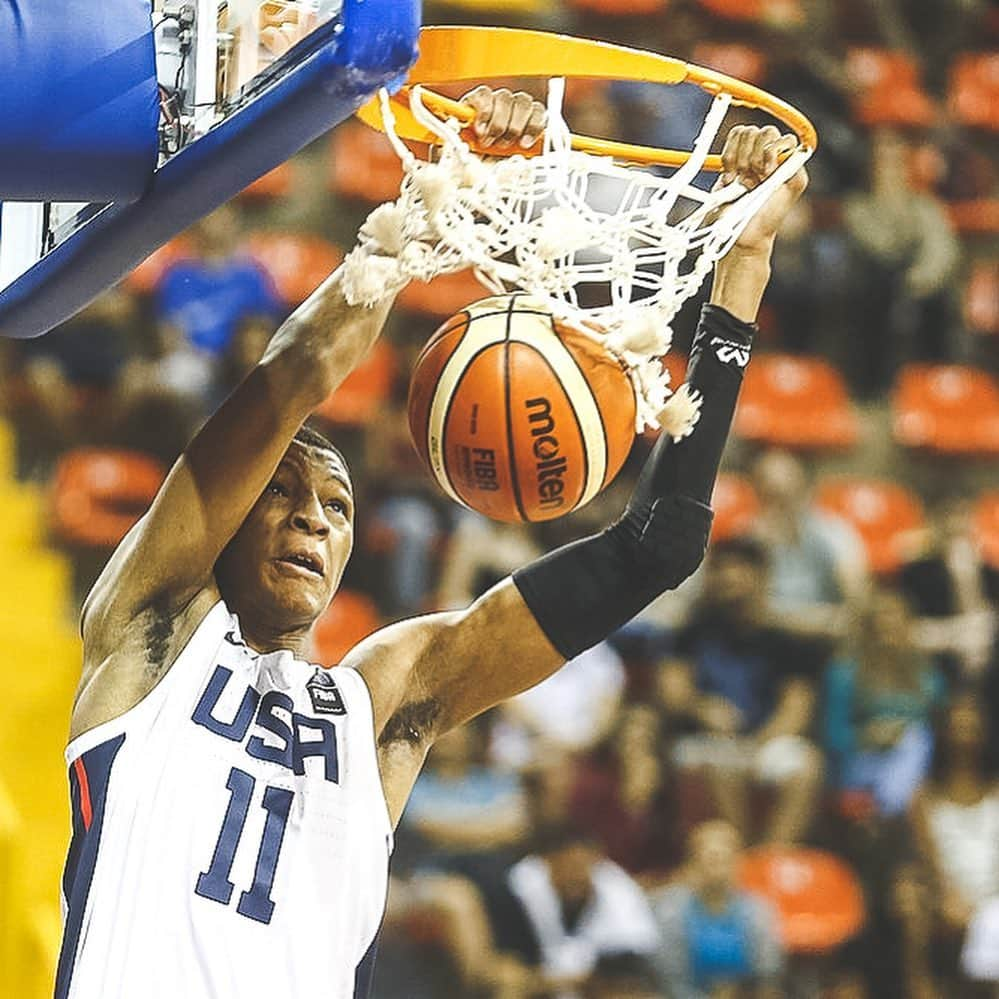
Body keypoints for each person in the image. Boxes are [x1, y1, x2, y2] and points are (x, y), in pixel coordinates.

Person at [55, 80, 808, 998]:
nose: (310, 517)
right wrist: (447, 187)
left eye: (336, 507)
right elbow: (296, 373)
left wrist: (742, 268)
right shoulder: (153, 629)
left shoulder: (379, 704)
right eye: (281, 491)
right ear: (225, 516)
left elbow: (659, 545)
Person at [659, 537, 827, 845]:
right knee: (719, 765)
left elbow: (796, 709)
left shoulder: (787, 640)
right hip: (706, 740)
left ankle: (771, 857)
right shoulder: (691, 632)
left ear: (761, 576)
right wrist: (701, 707)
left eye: (738, 569)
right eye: (720, 569)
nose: (728, 578)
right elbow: (673, 693)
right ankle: (736, 860)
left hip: (764, 739)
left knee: (806, 767)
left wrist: (756, 746)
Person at [824, 586, 945, 816]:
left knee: (917, 738)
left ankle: (892, 806)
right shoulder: (845, 672)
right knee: (914, 741)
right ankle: (891, 810)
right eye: (879, 618)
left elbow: (942, 724)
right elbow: (833, 736)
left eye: (894, 617)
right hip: (860, 762)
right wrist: (870, 736)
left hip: (917, 764)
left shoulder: (926, 675)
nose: (886, 624)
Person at [650, 820, 784, 999]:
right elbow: (669, 975)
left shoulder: (759, 911)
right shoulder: (669, 910)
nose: (718, 870)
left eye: (726, 860)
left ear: (739, 864)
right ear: (692, 864)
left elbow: (767, 972)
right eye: (711, 860)